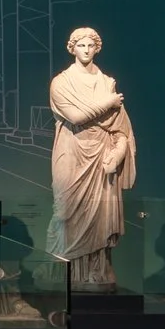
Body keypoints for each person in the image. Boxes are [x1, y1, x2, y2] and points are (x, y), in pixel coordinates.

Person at [48, 26, 134, 291]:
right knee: (65, 211)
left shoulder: (107, 82)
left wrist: (118, 152)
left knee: (99, 216)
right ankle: (61, 269)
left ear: (97, 48)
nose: (86, 51)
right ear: (71, 48)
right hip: (71, 150)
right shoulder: (61, 82)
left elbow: (121, 129)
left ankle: (97, 271)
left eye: (90, 46)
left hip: (102, 153)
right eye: (81, 45)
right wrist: (107, 103)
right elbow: (75, 117)